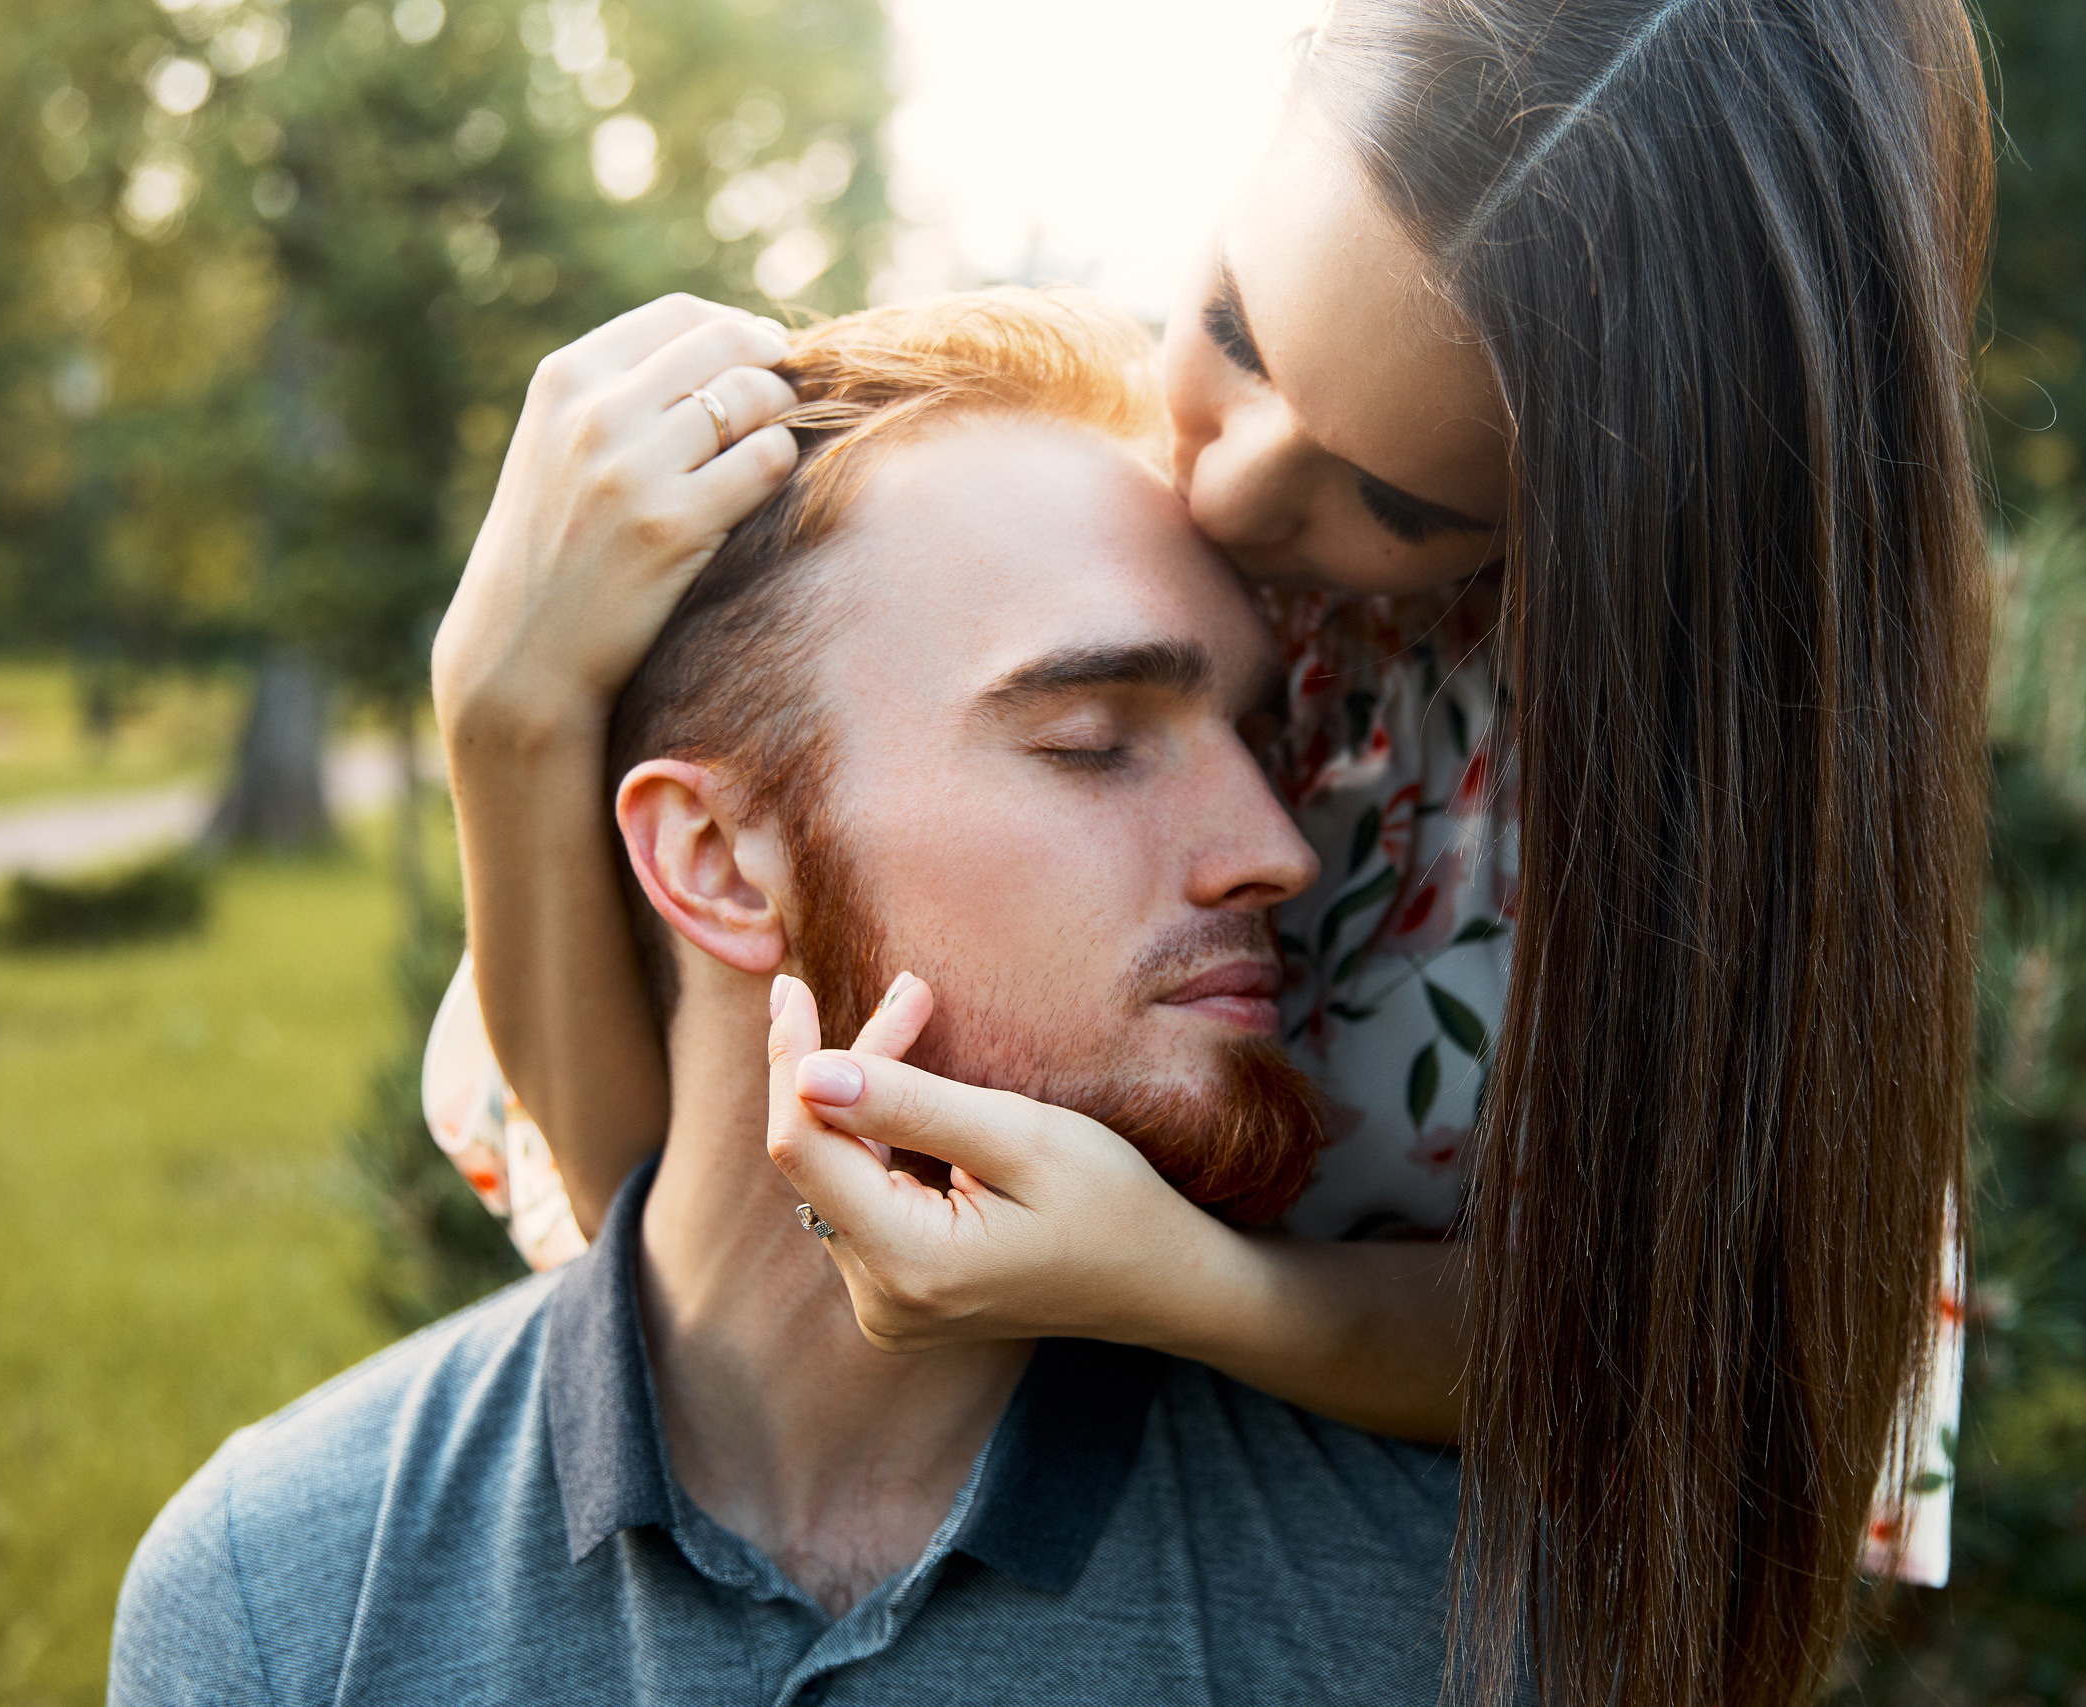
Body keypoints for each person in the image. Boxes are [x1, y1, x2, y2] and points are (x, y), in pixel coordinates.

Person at [430, 2, 1995, 1701]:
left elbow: (1716, 1360)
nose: (1235, 499)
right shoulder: (1052, 503)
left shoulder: (1667, 793)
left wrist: (1203, 1293)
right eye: (1237, 329)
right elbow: (645, 1196)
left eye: (1400, 506)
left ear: (1614, 513)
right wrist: (505, 718)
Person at [109, 293, 1458, 1705]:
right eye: (1095, 740)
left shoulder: (1435, 1596)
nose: (1277, 852)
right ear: (716, 865)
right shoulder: (284, 1607)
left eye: (1257, 736)